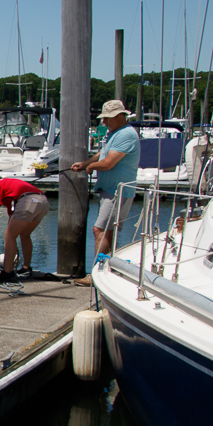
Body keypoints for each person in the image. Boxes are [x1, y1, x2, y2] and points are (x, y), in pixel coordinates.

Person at [70, 99, 140, 286]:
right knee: (107, 232)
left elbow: (108, 163)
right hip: (110, 190)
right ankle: (106, 271)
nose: (104, 122)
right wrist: (86, 163)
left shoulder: (125, 134)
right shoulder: (115, 134)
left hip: (118, 191)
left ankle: (96, 275)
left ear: (118, 116)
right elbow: (103, 155)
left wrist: (91, 167)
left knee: (100, 230)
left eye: (107, 119)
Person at [0, 175, 49, 284]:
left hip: (28, 201)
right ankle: (26, 268)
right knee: (25, 235)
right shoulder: (6, 185)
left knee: (9, 236)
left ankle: (7, 273)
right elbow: (12, 212)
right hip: (42, 201)